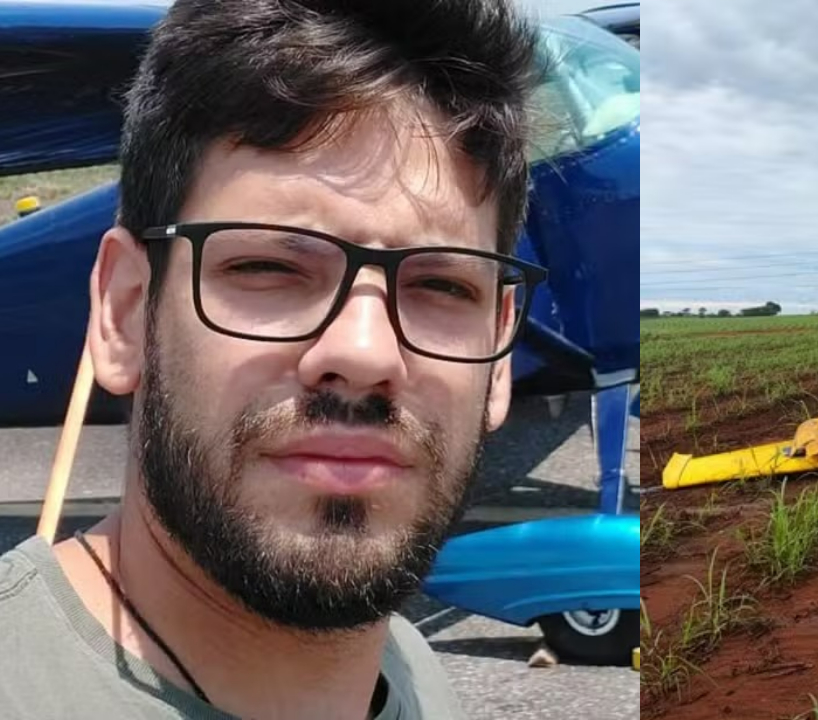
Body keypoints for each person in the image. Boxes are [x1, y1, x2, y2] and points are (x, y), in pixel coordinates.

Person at [0, 0, 547, 718]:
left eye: (443, 285)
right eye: (267, 269)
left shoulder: (411, 670)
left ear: (499, 355)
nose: (362, 352)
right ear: (125, 311)